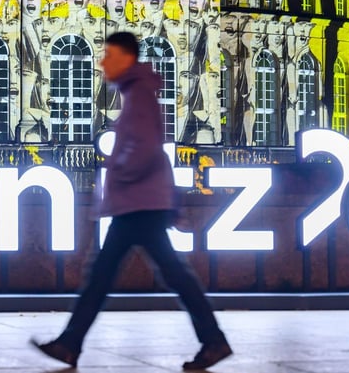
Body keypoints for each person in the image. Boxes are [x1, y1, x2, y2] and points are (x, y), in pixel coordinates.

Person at [30, 31, 232, 370]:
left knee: (117, 275)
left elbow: (146, 149)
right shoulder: (138, 93)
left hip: (139, 203)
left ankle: (71, 344)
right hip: (141, 202)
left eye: (108, 55)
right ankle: (70, 344)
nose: (102, 62)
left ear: (125, 58)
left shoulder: (138, 95)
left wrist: (117, 170)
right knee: (141, 274)